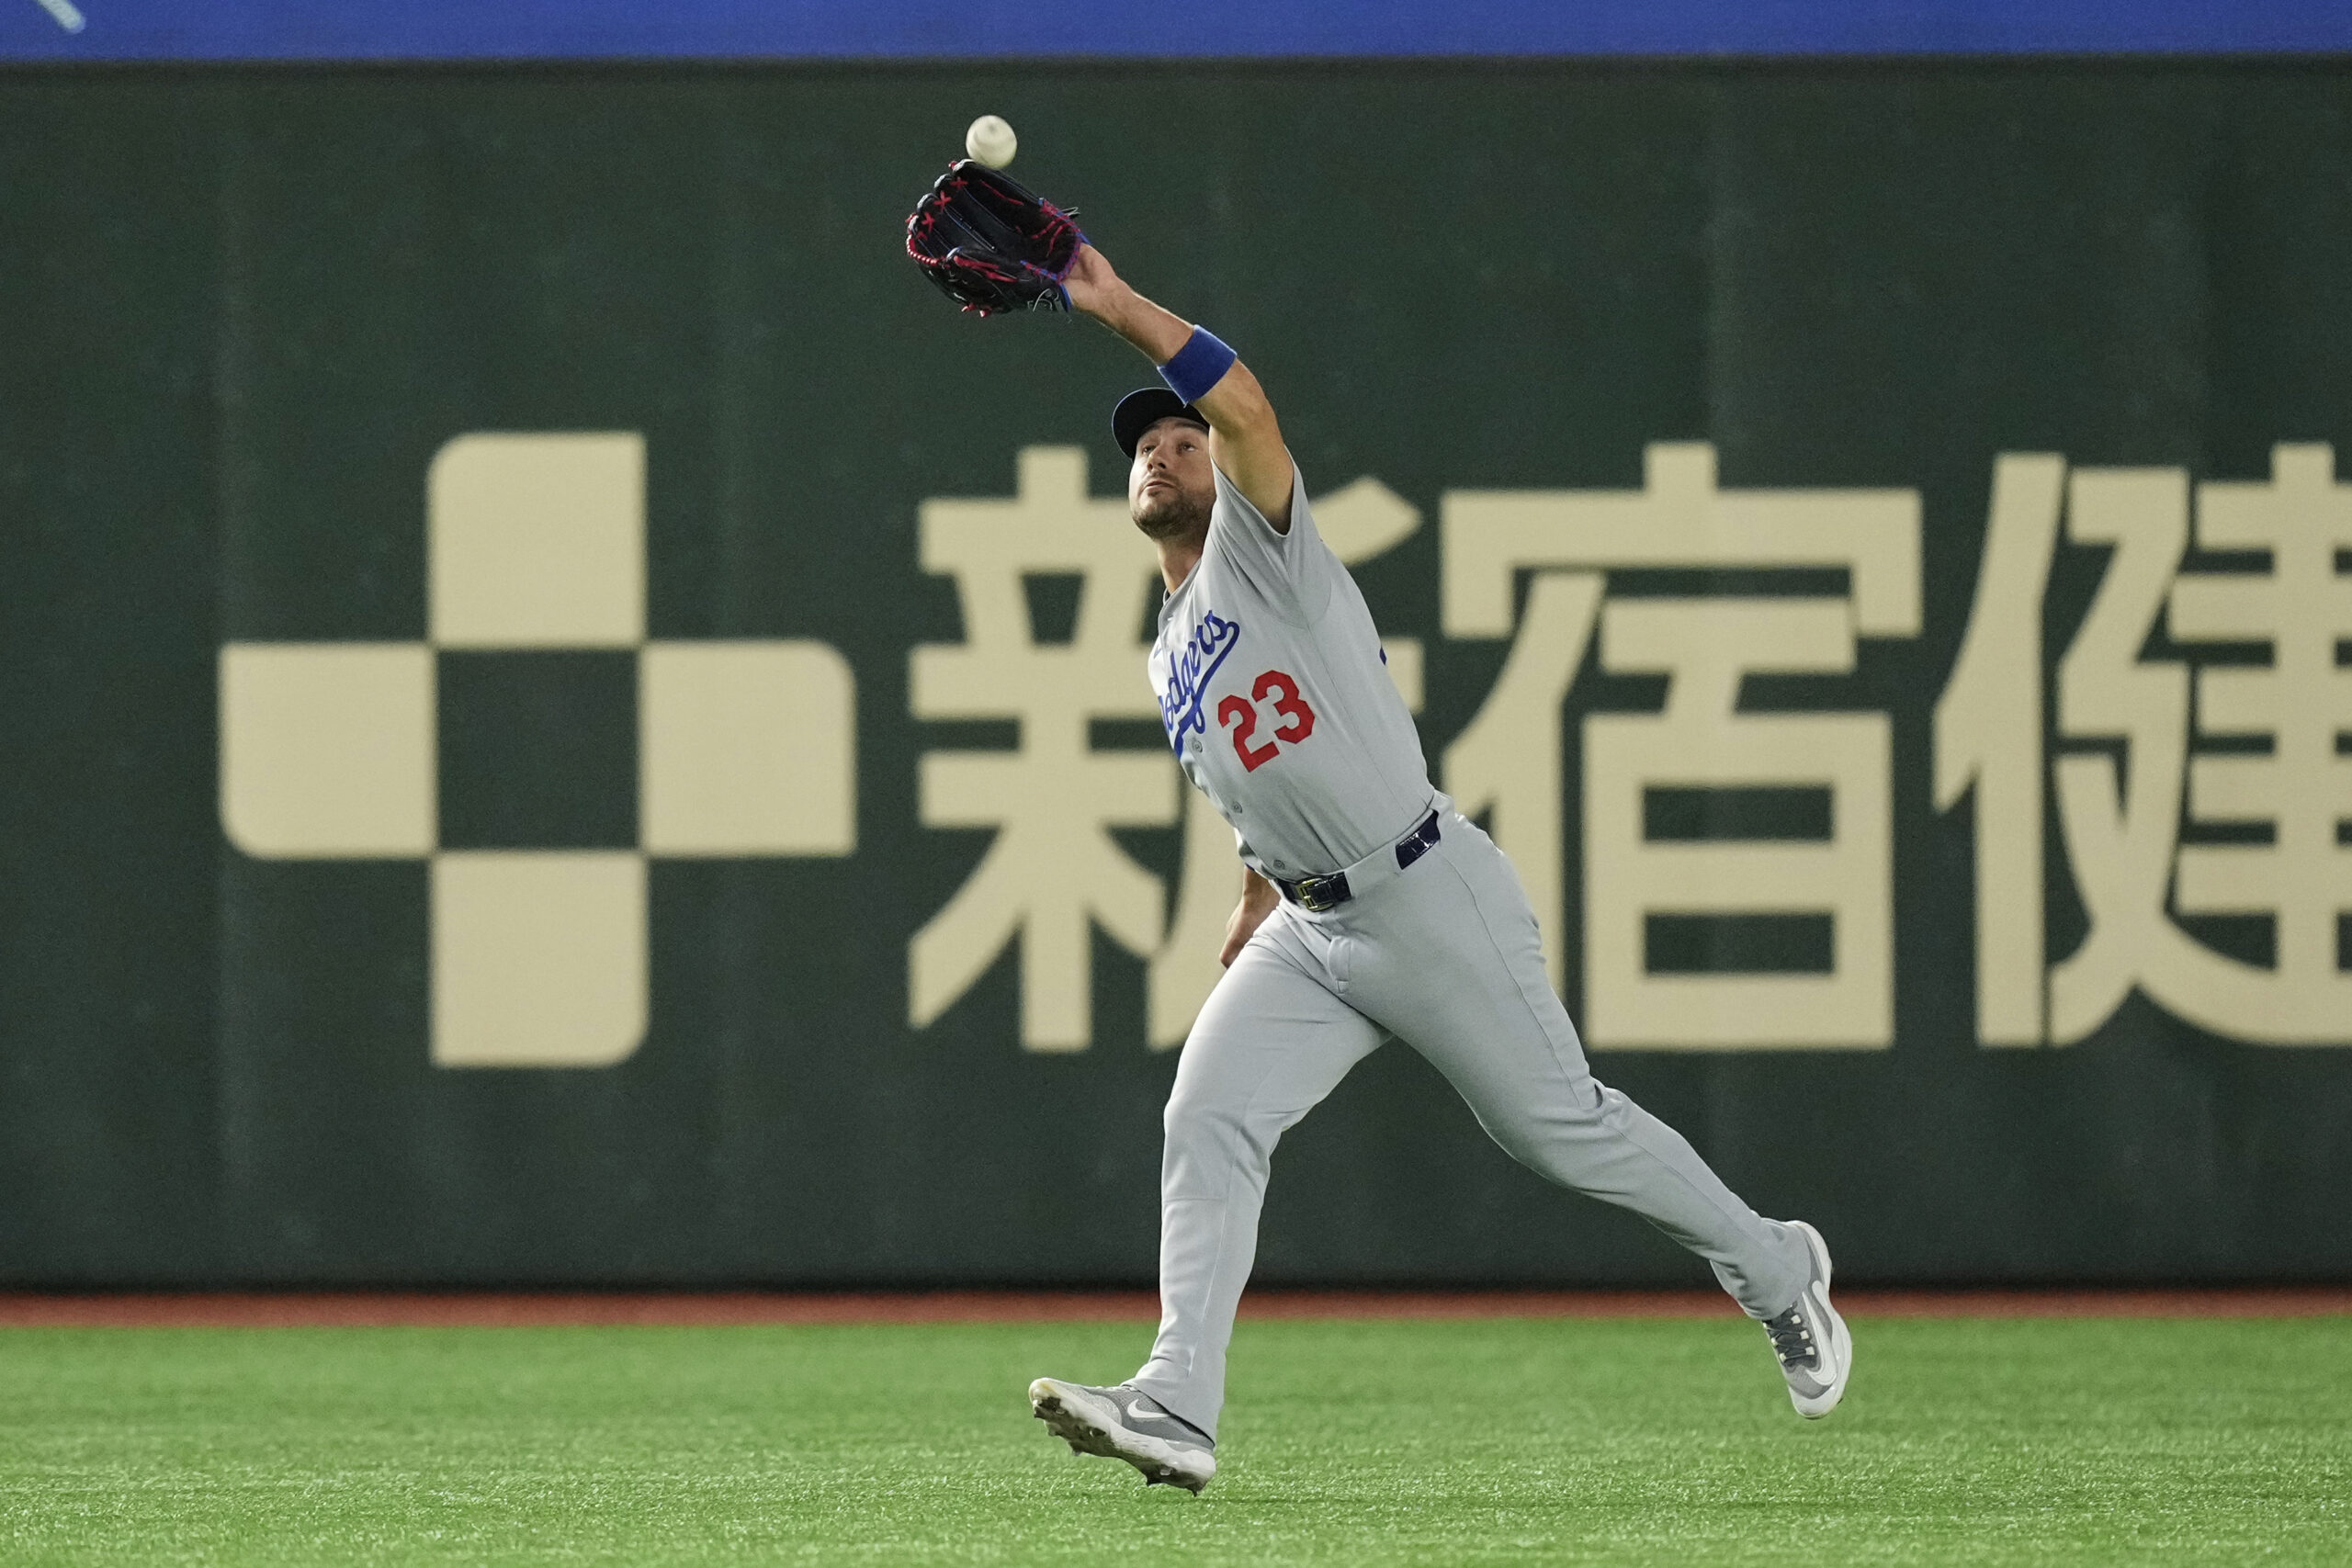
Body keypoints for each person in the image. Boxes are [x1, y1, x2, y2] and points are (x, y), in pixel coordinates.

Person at [1025, 240, 1850, 1495]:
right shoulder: (1166, 645)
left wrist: (1118, 306)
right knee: (1209, 1114)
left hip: (1422, 888)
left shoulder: (1266, 545)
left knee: (1563, 1132)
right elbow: (1256, 778)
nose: (1163, 451)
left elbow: (1243, 402)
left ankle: (1781, 1269)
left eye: (1181, 440)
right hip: (1313, 926)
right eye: (1145, 446)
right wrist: (1254, 893)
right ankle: (1178, 1406)